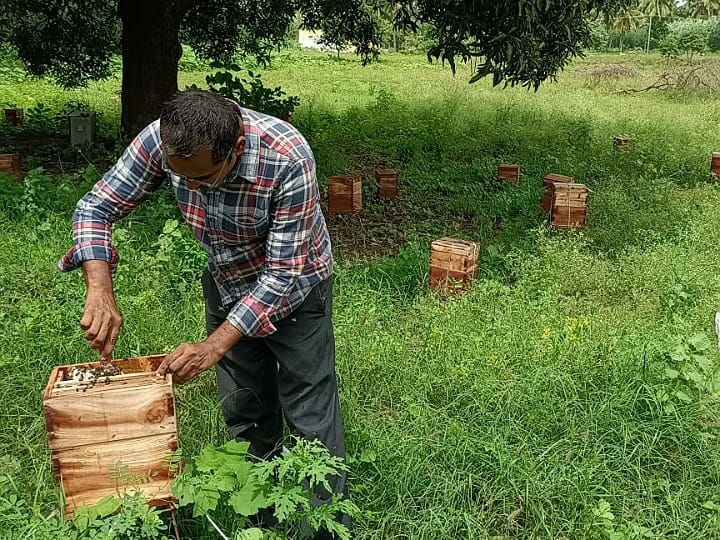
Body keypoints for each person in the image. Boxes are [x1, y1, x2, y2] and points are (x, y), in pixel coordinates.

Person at [58, 90, 348, 537]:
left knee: (309, 412)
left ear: (233, 151)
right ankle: (263, 522)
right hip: (227, 279)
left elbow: (282, 275)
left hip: (296, 289)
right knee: (246, 409)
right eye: (181, 179)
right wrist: (99, 288)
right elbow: (95, 207)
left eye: (205, 179)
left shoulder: (287, 156)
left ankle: (323, 528)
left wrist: (213, 346)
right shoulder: (166, 138)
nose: (190, 188)